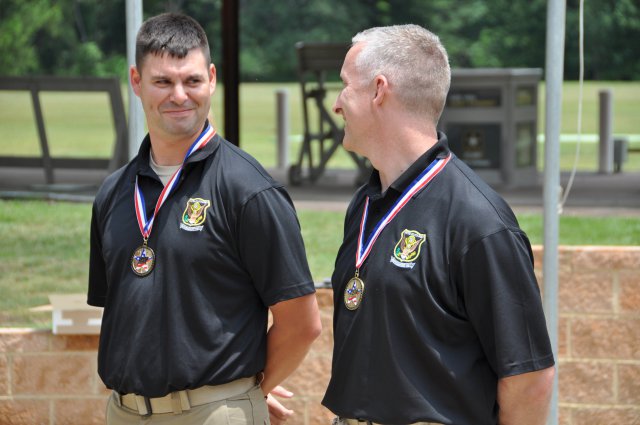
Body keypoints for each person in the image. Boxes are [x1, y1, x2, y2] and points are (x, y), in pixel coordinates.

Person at [87, 12, 321, 425]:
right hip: (123, 412)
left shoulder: (249, 190)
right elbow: (130, 316)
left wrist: (247, 391)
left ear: (211, 78)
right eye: (163, 81)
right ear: (137, 82)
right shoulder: (114, 193)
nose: (179, 95)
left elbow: (301, 323)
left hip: (214, 414)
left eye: (192, 81)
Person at [322, 24, 555, 425]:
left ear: (379, 90)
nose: (337, 104)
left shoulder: (479, 221)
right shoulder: (365, 203)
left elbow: (529, 377)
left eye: (345, 85)